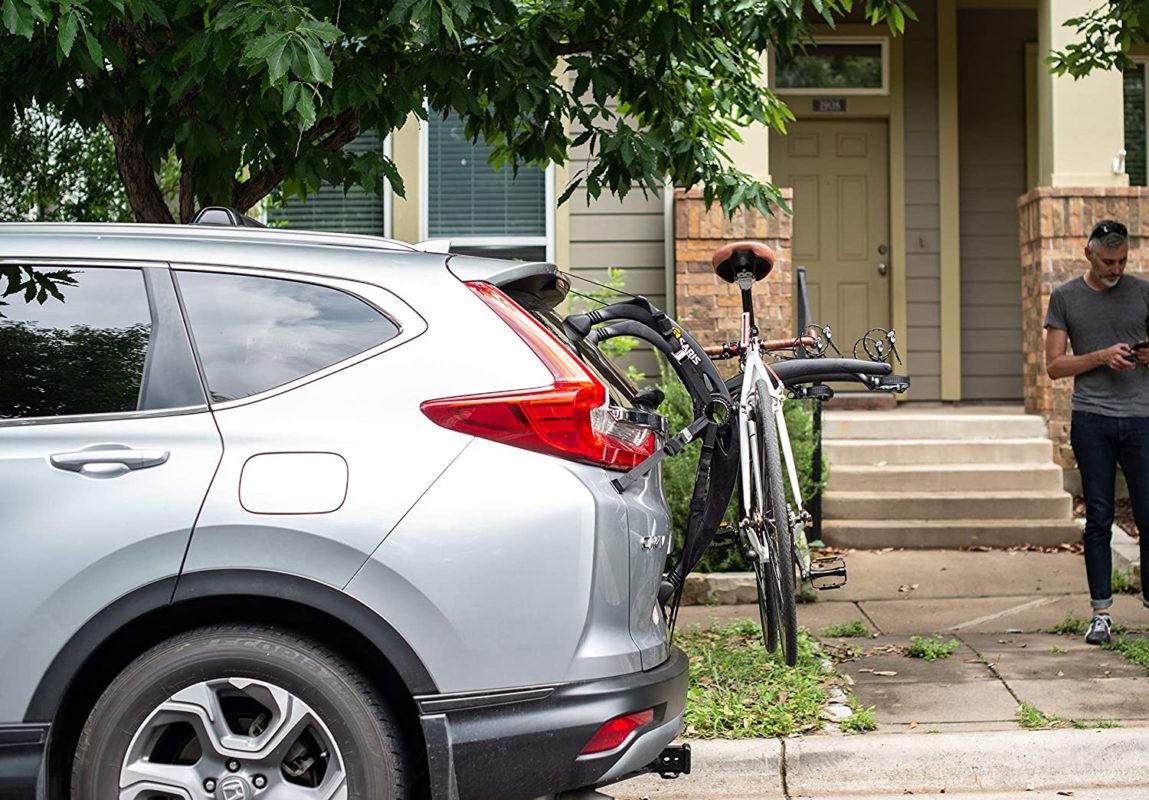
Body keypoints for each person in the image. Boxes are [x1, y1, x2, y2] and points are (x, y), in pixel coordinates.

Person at [1045, 219, 1149, 645]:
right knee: (1099, 519)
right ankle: (1101, 614)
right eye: (1108, 261)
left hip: (1142, 418)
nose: (1116, 268)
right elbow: (1054, 366)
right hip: (1092, 420)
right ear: (1088, 254)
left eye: (1122, 260)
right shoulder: (1066, 297)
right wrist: (1101, 356)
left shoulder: (1143, 292)